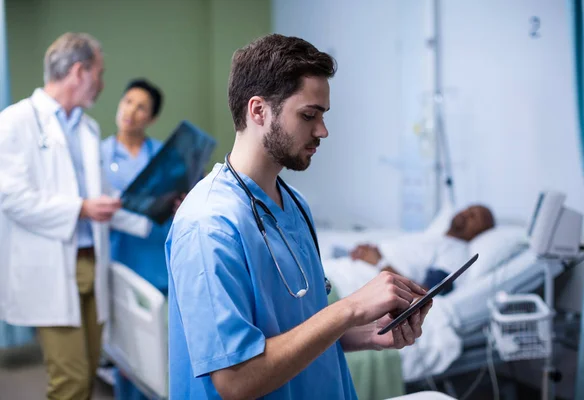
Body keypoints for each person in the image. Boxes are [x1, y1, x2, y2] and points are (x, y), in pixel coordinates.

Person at [166, 33, 433, 400]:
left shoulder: (294, 205)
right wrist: (349, 308)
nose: (322, 131)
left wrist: (368, 334)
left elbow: (296, 331)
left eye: (322, 115)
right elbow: (235, 380)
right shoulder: (210, 225)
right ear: (258, 110)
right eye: (309, 115)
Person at [0, 32, 151, 400]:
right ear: (80, 71)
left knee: (86, 377)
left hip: (91, 264)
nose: (102, 83)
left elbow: (103, 199)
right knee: (69, 382)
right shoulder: (15, 121)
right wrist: (80, 208)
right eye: (100, 73)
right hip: (51, 267)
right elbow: (11, 196)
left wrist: (156, 212)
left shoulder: (88, 128)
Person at [100, 78, 178, 400]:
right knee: (131, 356)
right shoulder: (100, 154)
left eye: (141, 106)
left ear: (152, 118)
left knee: (164, 351)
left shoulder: (163, 154)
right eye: (127, 101)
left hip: (161, 260)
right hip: (123, 262)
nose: (131, 111)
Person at [349, 205, 495, 293]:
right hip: (350, 270)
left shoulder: (456, 253)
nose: (466, 213)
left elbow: (426, 292)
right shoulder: (435, 237)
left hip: (358, 284)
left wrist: (379, 262)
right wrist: (367, 252)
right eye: (469, 209)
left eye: (474, 217)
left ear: (480, 232)